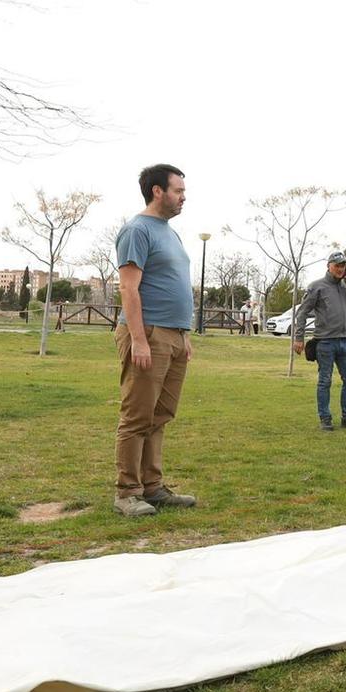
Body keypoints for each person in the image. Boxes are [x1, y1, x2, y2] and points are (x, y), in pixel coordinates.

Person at [112, 163, 198, 518]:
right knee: (137, 415)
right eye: (178, 191)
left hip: (174, 336)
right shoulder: (136, 230)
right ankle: (127, 492)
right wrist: (139, 340)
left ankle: (153, 487)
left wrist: (184, 334)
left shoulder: (170, 233)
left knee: (160, 415)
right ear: (157, 191)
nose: (183, 198)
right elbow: (128, 287)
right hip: (148, 334)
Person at [293, 251, 346, 431]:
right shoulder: (316, 287)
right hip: (325, 342)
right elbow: (302, 313)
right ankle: (325, 418)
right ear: (329, 266)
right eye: (337, 265)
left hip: (345, 342)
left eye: (343, 265)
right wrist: (299, 337)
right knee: (325, 381)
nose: (341, 269)